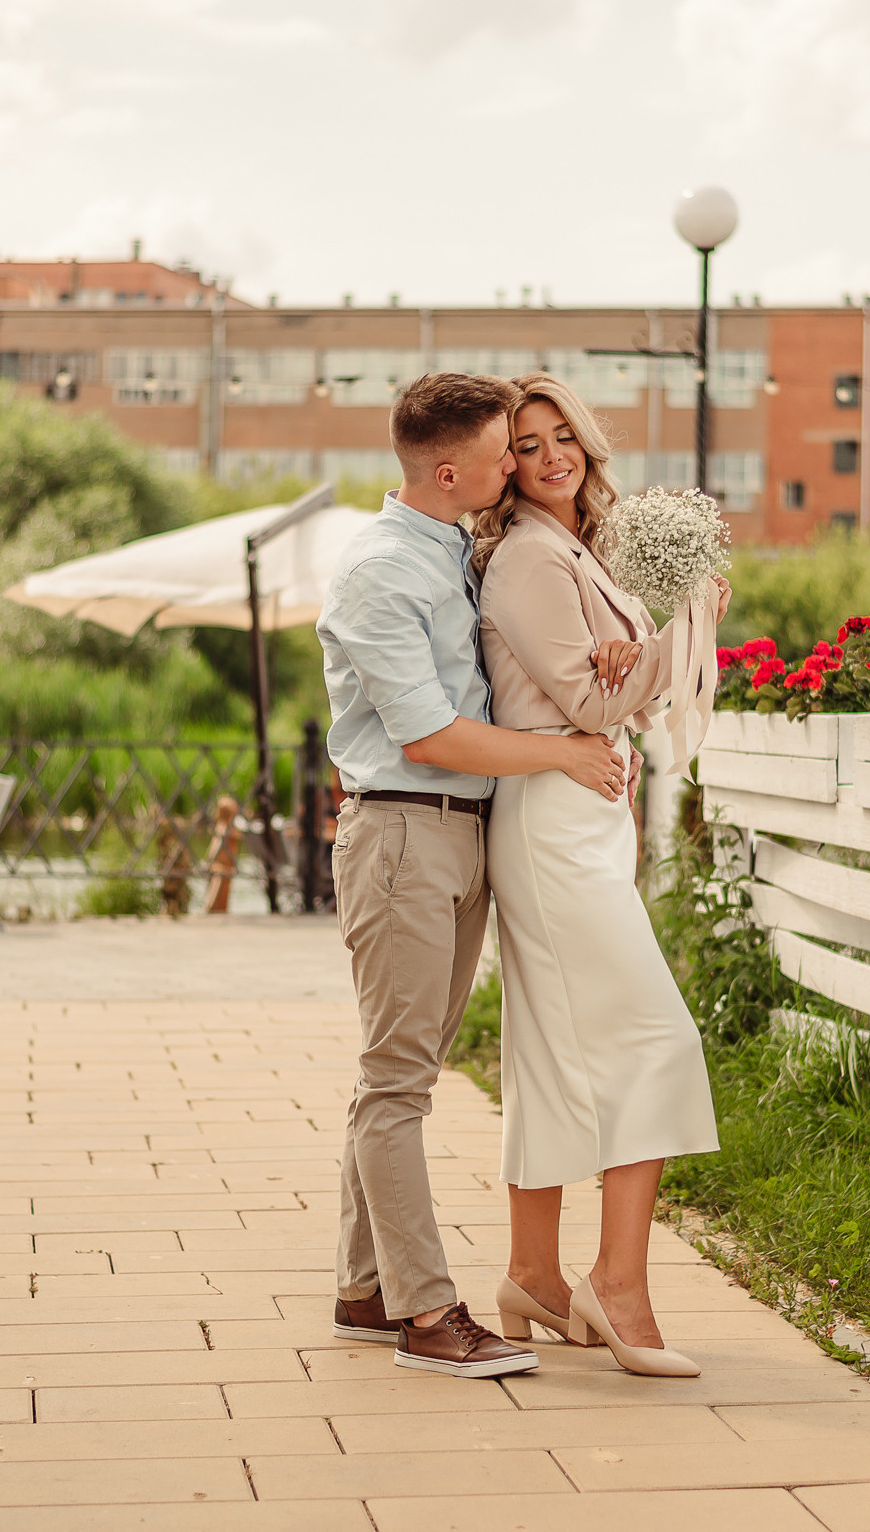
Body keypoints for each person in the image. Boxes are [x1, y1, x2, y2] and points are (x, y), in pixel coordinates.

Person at [317, 371, 633, 1379]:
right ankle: (424, 1313)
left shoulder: (454, 548)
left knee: (405, 1069)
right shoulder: (378, 571)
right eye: (504, 453)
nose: (519, 465)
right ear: (451, 471)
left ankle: (366, 1290)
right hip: (407, 833)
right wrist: (565, 752)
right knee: (396, 1081)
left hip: (454, 838)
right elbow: (430, 734)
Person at [472, 372, 727, 1377]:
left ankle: (534, 1274)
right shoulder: (532, 560)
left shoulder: (572, 548)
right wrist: (688, 629)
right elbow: (586, 694)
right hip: (552, 823)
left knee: (547, 1051)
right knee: (658, 1039)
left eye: (559, 434)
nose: (550, 456)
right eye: (525, 446)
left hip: (574, 819)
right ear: (504, 467)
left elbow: (604, 680)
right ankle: (616, 1287)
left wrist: (649, 647)